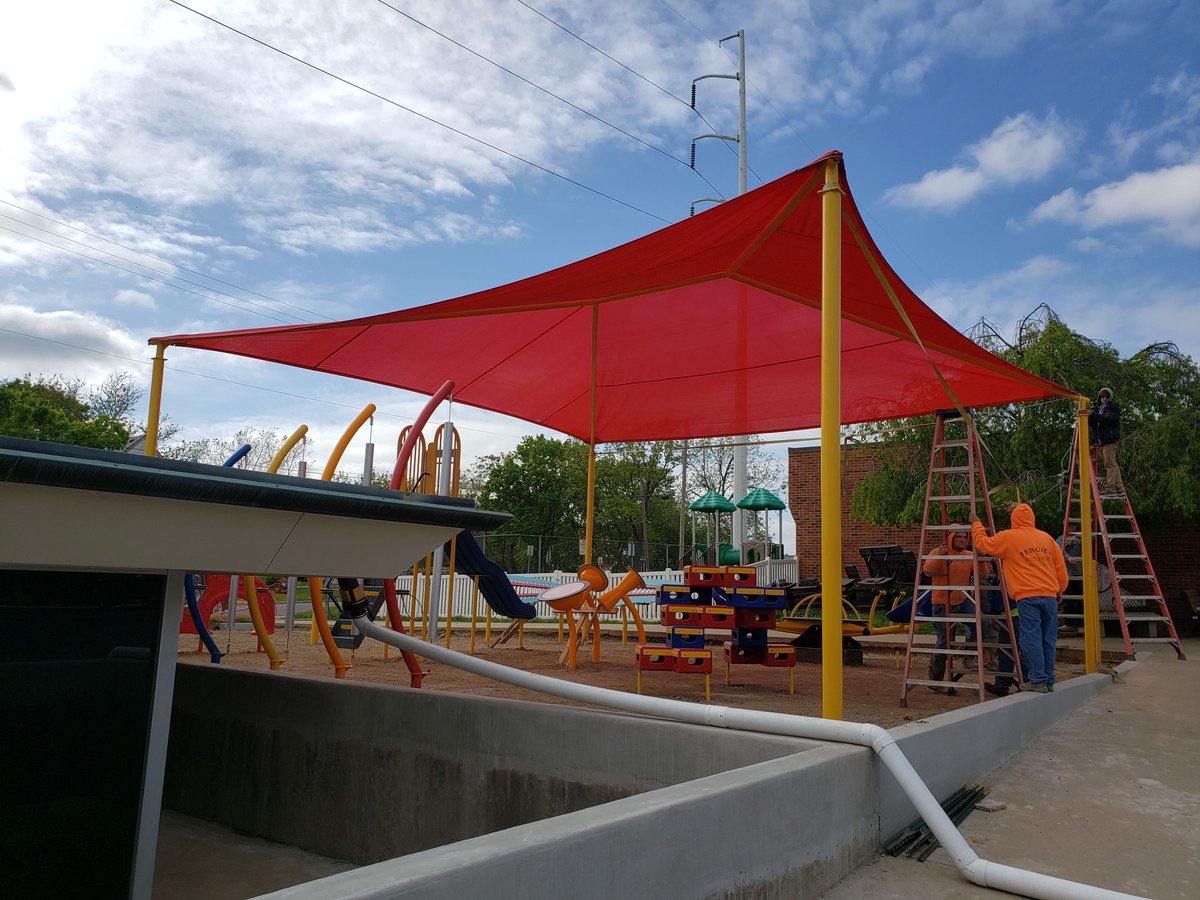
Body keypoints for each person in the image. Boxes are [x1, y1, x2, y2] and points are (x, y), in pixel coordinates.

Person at [969, 503, 1068, 693]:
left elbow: (983, 544)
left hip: (1027, 595)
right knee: (1048, 639)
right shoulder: (1046, 538)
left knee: (1030, 638)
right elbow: (1060, 568)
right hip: (1049, 595)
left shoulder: (1010, 537)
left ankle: (1038, 679)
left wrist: (976, 524)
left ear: (1014, 520)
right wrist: (1060, 590)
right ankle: (1048, 679)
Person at [921, 527, 975, 691]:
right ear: (950, 538)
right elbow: (928, 571)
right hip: (942, 602)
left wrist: (983, 558)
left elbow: (984, 574)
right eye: (958, 537)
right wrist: (941, 555)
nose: (962, 540)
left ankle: (969, 657)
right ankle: (936, 680)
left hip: (963, 599)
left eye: (964, 537)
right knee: (944, 641)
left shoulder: (969, 555)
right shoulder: (937, 552)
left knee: (982, 626)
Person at [1089, 387, 1124, 496]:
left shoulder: (1114, 408)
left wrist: (1093, 414)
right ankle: (1119, 488)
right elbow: (1092, 423)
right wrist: (1088, 415)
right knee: (1112, 463)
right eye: (1102, 396)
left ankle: (1110, 488)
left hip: (1109, 439)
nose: (1104, 398)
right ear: (1099, 397)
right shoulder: (1096, 409)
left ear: (1110, 398)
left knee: (1109, 464)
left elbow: (1107, 419)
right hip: (1100, 440)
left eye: (1106, 396)